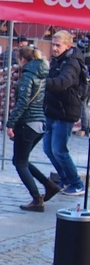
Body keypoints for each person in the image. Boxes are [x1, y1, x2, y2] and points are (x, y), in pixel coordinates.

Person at [6, 46, 61, 212]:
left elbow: (22, 102)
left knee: (20, 163)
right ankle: (49, 185)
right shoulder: (42, 74)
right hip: (39, 123)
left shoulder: (27, 76)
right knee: (21, 160)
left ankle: (37, 199)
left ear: (23, 59)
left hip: (27, 123)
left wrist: (10, 123)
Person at [43, 30, 86, 196]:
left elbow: (63, 82)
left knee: (59, 150)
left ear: (68, 45)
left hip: (65, 111)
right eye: (53, 44)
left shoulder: (72, 63)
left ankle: (75, 182)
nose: (54, 48)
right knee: (48, 149)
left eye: (58, 45)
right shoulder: (58, 60)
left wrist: (42, 81)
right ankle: (65, 178)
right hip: (53, 111)